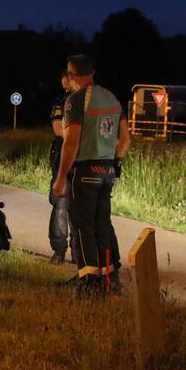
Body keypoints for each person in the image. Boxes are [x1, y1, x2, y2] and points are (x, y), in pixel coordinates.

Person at [52, 53, 131, 296]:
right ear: (93, 72)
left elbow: (71, 142)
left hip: (84, 171)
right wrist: (114, 161)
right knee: (102, 226)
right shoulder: (112, 98)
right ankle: (109, 279)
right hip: (107, 170)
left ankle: (88, 284)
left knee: (82, 228)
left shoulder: (75, 100)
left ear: (72, 75)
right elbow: (125, 141)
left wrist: (60, 178)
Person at [48, 69, 74, 264]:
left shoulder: (89, 101)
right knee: (61, 205)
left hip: (84, 160)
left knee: (80, 207)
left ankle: (79, 251)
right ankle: (59, 251)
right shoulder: (60, 102)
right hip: (64, 158)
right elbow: (58, 129)